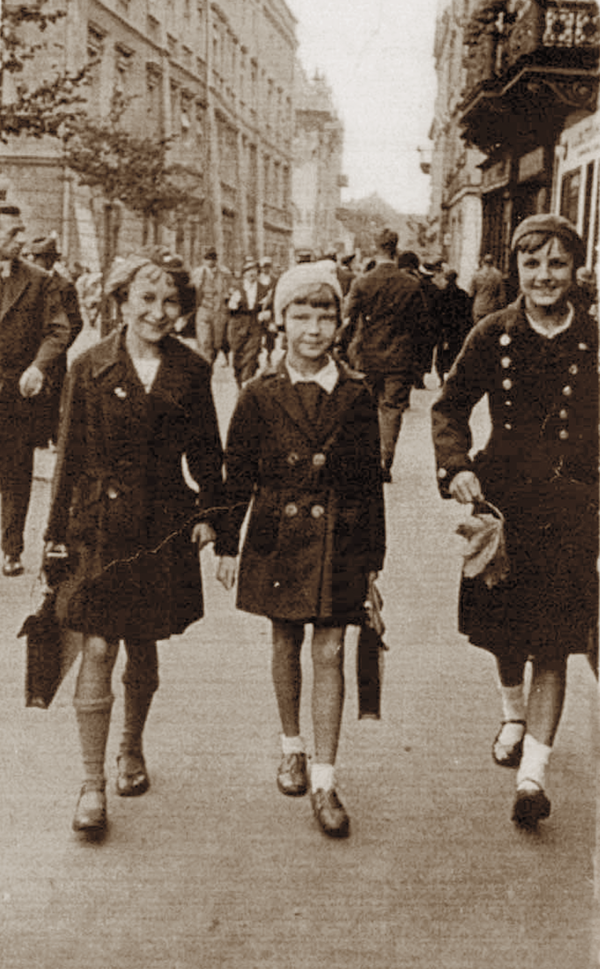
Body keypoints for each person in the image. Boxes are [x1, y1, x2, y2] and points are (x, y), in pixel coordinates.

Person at [43, 246, 224, 836]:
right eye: (146, 298)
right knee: (97, 646)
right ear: (120, 301)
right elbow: (68, 459)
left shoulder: (193, 372)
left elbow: (207, 457)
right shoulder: (88, 366)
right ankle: (92, 784)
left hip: (161, 527)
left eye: (171, 300)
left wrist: (212, 518)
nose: (158, 311)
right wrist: (53, 541)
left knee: (144, 645)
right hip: (98, 524)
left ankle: (131, 748)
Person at [431, 214, 598, 829]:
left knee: (555, 639)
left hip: (573, 506)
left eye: (557, 264)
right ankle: (512, 713)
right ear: (517, 269)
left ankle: (533, 776)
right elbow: (449, 407)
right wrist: (456, 468)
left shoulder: (595, 340)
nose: (545, 276)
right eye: (533, 264)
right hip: (502, 505)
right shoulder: (492, 333)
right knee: (505, 633)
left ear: (573, 269)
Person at [216, 261, 385, 839]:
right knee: (285, 639)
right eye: (301, 315)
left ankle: (325, 776)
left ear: (340, 322)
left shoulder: (359, 394)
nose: (313, 329)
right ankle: (291, 745)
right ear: (280, 320)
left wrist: (372, 564)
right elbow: (236, 473)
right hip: (277, 536)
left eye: (325, 315)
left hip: (340, 537)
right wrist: (225, 543)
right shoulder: (259, 394)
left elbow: (368, 482)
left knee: (332, 652)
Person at [0, 206, 72, 577]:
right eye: (13, 233)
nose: (22, 240)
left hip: (15, 394)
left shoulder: (40, 280)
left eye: (22, 231)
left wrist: (38, 366)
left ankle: (11, 549)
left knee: (15, 473)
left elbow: (59, 330)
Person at [343, 227, 429, 482]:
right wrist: (418, 362)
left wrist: (345, 351)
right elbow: (422, 326)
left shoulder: (362, 281)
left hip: (367, 356)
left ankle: (366, 459)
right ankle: (384, 461)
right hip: (400, 358)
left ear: (376, 247)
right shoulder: (411, 284)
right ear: (396, 247)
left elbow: (348, 319)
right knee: (391, 410)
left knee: (365, 407)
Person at [28, 235, 84, 444]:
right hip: (29, 348)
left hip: (55, 350)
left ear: (51, 260)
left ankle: (49, 435)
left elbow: (76, 321)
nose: (35, 261)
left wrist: (60, 343)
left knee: (52, 393)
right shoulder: (29, 280)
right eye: (34, 256)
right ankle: (33, 435)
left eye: (39, 257)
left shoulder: (64, 285)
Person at [227, 258, 268, 389]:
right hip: (238, 325)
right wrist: (233, 304)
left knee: (251, 356)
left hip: (255, 324)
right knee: (238, 358)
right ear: (244, 273)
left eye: (255, 271)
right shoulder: (236, 288)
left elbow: (269, 307)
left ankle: (246, 384)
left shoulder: (263, 289)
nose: (252, 274)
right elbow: (227, 308)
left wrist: (267, 313)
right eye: (249, 271)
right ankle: (239, 380)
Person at [190, 246, 229, 367]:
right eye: (207, 258)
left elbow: (228, 291)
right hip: (204, 310)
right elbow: (193, 292)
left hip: (219, 311)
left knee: (217, 342)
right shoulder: (197, 273)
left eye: (212, 258)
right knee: (205, 340)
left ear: (216, 259)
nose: (210, 261)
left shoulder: (224, 273)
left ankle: (210, 362)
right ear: (203, 259)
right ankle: (205, 365)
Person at [435, 269, 473, 380]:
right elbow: (467, 314)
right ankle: (454, 375)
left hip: (444, 328)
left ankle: (441, 377)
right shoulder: (463, 294)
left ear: (446, 279)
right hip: (458, 329)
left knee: (441, 354)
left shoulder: (441, 294)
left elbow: (437, 312)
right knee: (456, 352)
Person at [469, 253, 507, 324]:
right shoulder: (498, 275)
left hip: (479, 307)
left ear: (483, 262)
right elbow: (502, 296)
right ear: (493, 262)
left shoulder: (477, 274)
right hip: (491, 308)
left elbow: (471, 293)